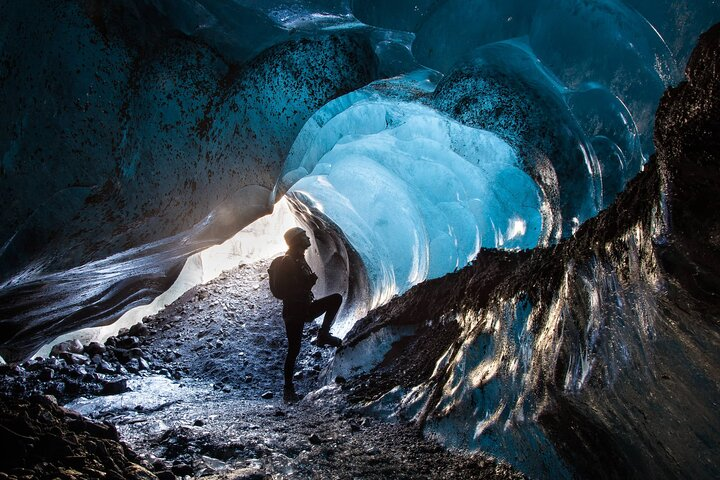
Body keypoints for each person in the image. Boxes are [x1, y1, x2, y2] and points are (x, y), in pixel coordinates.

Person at [279, 227, 342, 402]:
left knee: (335, 299)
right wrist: (307, 283)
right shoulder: (289, 261)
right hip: (293, 311)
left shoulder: (299, 259)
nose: (307, 238)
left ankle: (323, 335)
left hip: (304, 308)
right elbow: (291, 290)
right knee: (294, 350)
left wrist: (307, 284)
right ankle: (288, 391)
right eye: (303, 236)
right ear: (295, 240)